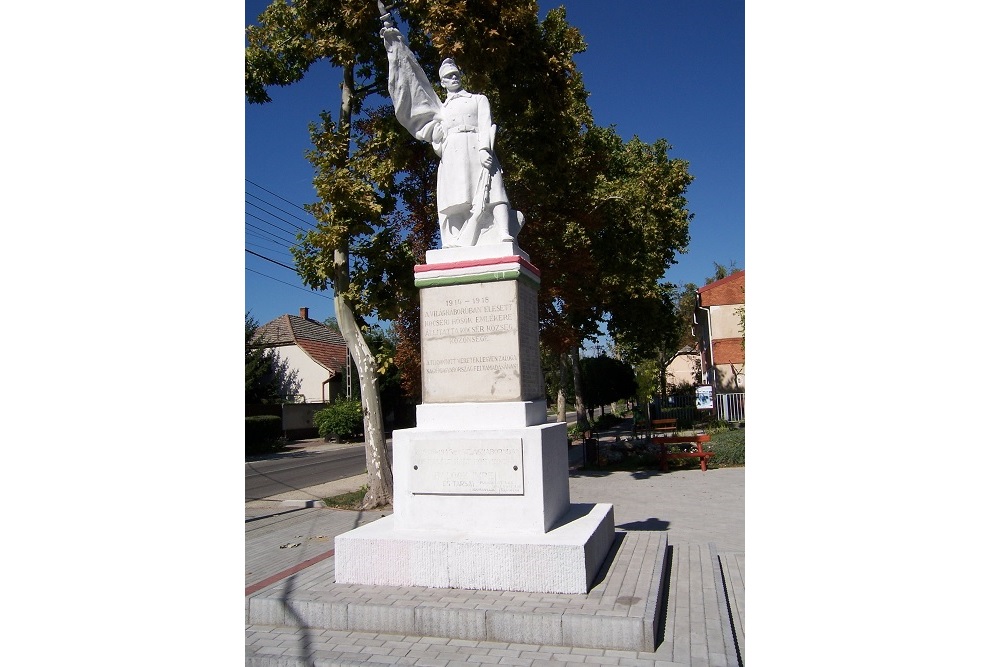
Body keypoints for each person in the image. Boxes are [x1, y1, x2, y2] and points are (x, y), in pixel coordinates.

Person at [380, 22, 522, 248]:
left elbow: (486, 124)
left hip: (477, 146)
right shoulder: (441, 109)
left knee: (495, 190)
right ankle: (458, 239)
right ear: (443, 82)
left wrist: (486, 149)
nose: (454, 78)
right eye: (449, 77)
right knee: (459, 196)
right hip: (454, 152)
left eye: (456, 75)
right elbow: (429, 120)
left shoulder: (478, 99)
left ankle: (504, 233)